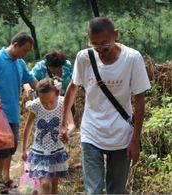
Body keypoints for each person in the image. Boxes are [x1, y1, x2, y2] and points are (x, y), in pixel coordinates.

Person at [60, 17, 151, 194]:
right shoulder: (84, 57)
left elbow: (140, 99)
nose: (101, 50)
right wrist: (64, 122)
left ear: (115, 35)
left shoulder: (132, 58)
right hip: (91, 132)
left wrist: (135, 140)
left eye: (105, 44)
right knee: (92, 190)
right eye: (95, 45)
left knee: (116, 190)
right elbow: (73, 88)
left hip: (121, 134)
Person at [0, 32, 38, 193]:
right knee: (0, 150)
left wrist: (48, 89)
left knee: (11, 148)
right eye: (24, 50)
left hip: (13, 113)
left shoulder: (20, 63)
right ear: (16, 45)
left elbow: (31, 80)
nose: (25, 54)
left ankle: (6, 178)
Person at [22, 78, 75, 194]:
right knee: (46, 184)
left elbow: (71, 124)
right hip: (39, 152)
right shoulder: (35, 105)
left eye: (50, 101)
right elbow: (28, 127)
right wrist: (24, 149)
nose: (47, 104)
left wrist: (67, 133)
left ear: (57, 94)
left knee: (54, 187)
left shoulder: (63, 103)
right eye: (43, 101)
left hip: (57, 151)